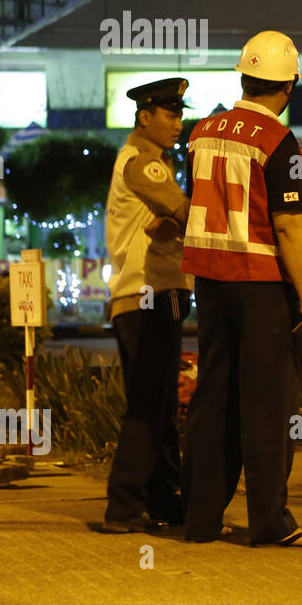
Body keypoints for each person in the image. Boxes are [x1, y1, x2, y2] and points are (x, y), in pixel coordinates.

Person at [180, 30, 302, 547]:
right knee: (268, 408)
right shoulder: (279, 143)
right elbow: (289, 226)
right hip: (262, 287)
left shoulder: (202, 131)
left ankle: (200, 519)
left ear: (244, 78)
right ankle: (270, 522)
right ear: (288, 87)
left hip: (211, 285)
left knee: (213, 400)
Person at [100, 77, 194, 534]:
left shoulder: (148, 163)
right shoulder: (145, 165)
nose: (179, 123)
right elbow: (188, 215)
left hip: (146, 295)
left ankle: (164, 500)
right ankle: (122, 508)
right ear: (145, 117)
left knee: (157, 404)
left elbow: (168, 224)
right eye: (171, 115)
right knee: (147, 405)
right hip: (148, 295)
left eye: (180, 114)